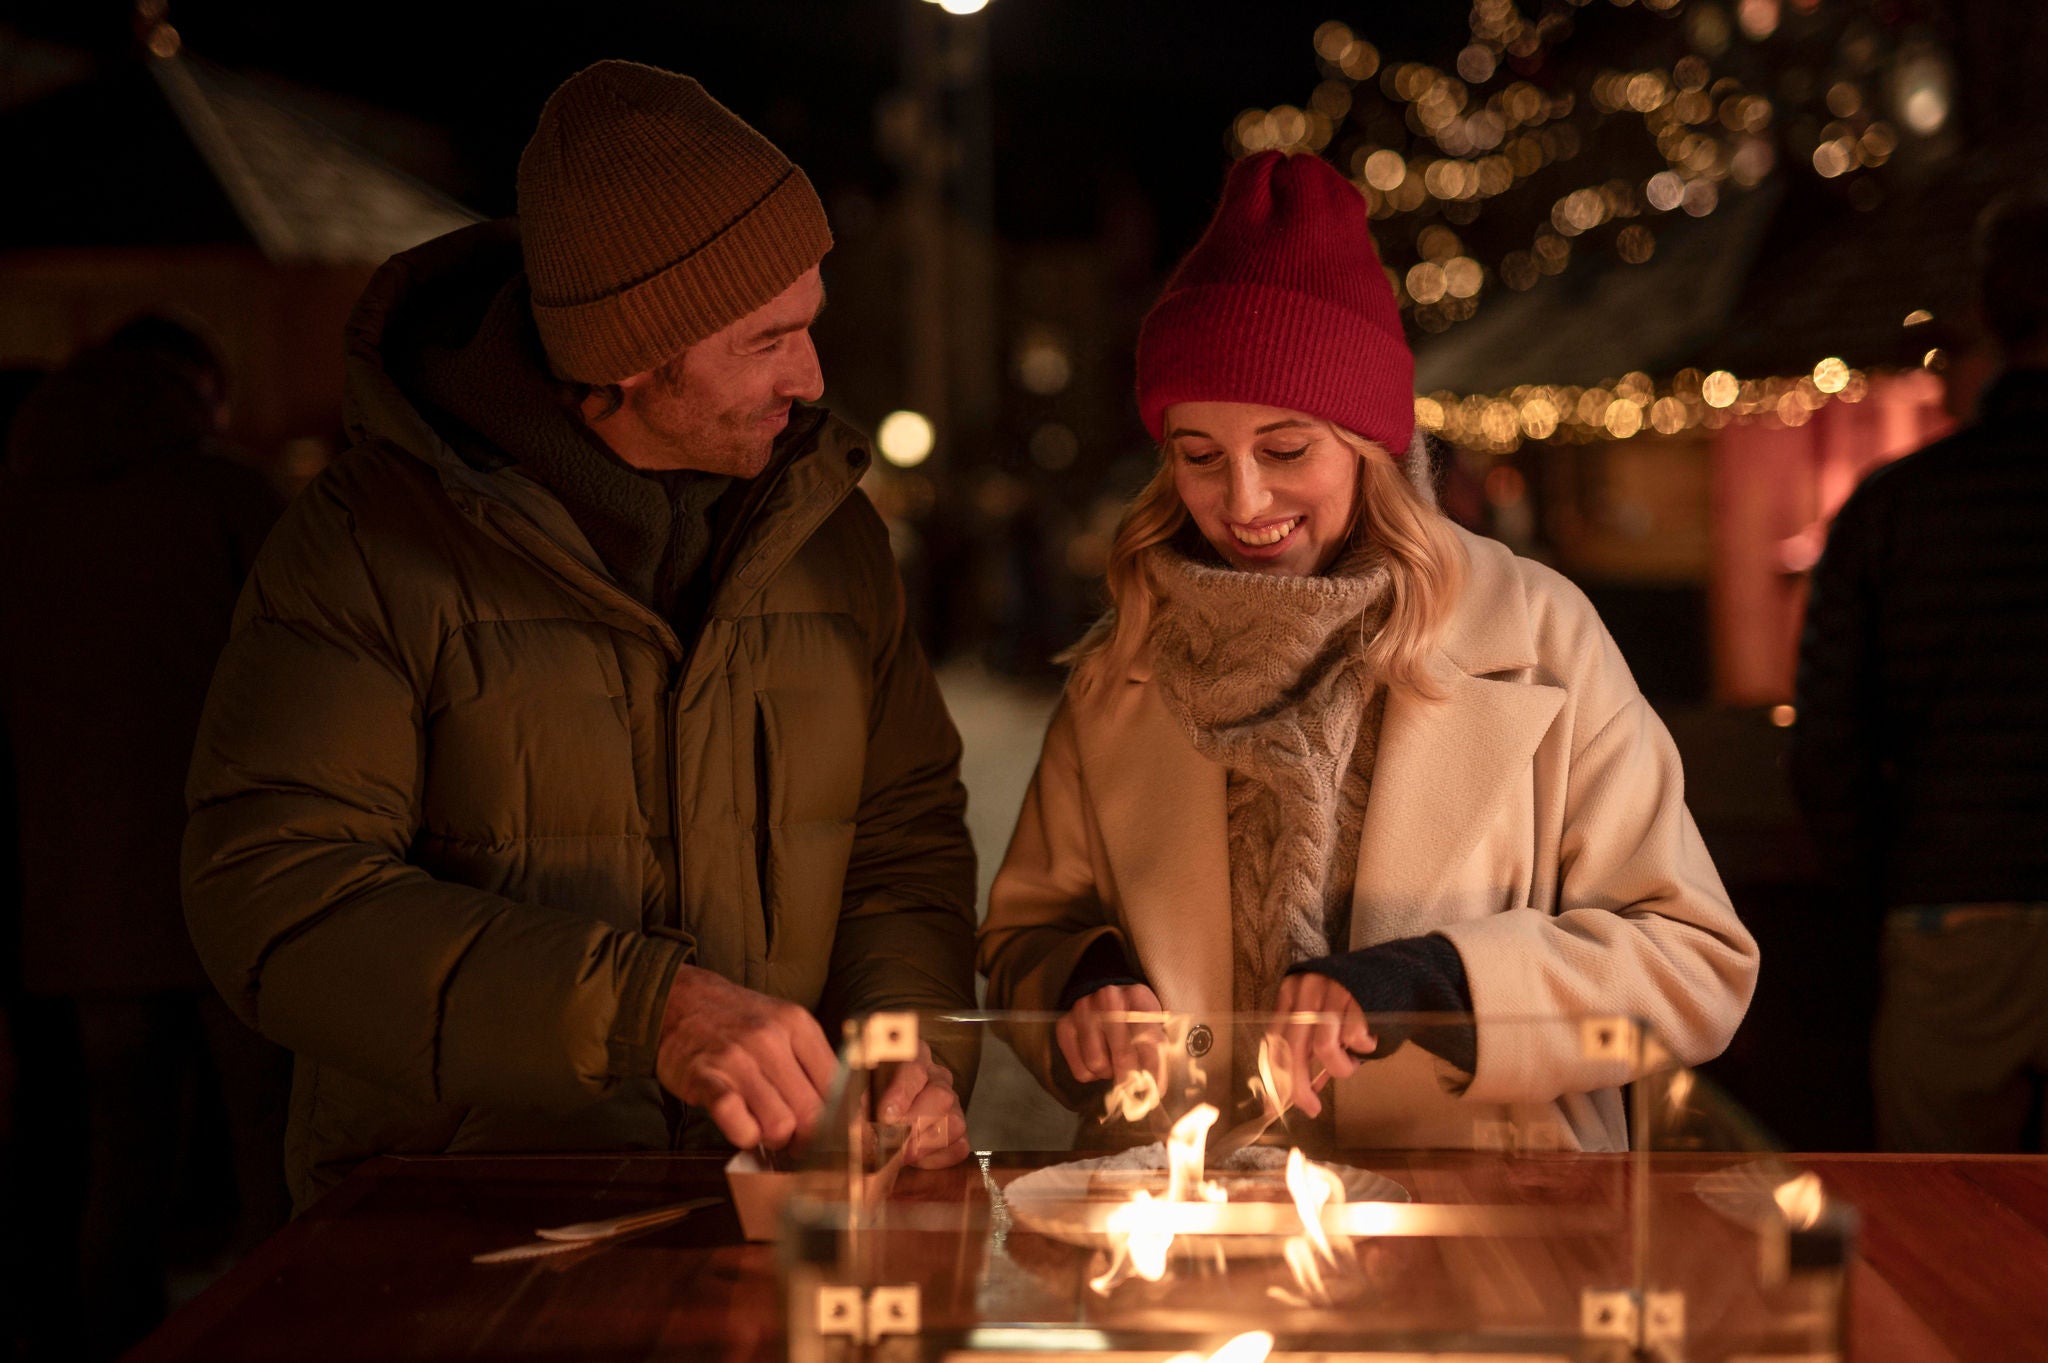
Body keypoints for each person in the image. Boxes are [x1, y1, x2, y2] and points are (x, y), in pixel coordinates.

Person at [182, 61, 976, 1213]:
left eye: (810, 322)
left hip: (760, 1217)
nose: (810, 378)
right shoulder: (368, 545)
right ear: (632, 356)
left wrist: (903, 1048)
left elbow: (899, 844)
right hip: (458, 1220)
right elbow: (275, 894)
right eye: (766, 342)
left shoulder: (829, 537)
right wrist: (641, 1012)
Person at [977, 151, 1758, 1151]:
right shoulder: (1120, 665)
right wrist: (1081, 984)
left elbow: (1691, 961)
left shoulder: (1537, 631)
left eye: (1285, 448)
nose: (1242, 503)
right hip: (1204, 1228)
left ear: (1366, 441)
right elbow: (1023, 939)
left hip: (1484, 1227)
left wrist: (1441, 984)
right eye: (1198, 456)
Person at [2, 320, 286, 1358]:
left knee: (123, 1155)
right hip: (231, 868)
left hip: (80, 885)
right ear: (196, 387)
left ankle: (108, 1345)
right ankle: (279, 1335)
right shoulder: (224, 494)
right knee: (270, 1142)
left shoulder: (25, 507)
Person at [1791, 190, 2048, 1152]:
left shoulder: (1897, 506)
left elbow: (1829, 741)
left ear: (1991, 314)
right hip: (1950, 878)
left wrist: (1881, 884)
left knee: (1949, 1225)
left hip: (1950, 899)